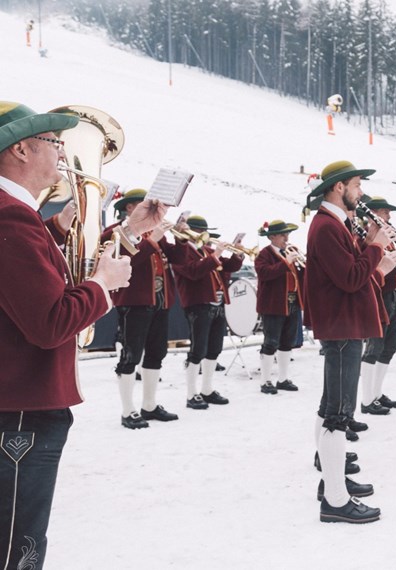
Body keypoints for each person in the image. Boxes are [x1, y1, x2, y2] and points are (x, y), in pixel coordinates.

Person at [1, 101, 164, 568]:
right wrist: (102, 285)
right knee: (17, 545)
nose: (62, 154)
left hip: (20, 408)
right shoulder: (10, 217)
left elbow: (41, 274)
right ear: (21, 149)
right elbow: (50, 321)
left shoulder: (18, 215)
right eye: (55, 143)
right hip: (20, 411)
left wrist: (128, 231)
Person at [303, 160, 396, 524]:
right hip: (341, 327)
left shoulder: (332, 224)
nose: (361, 192)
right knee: (338, 414)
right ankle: (335, 500)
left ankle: (332, 482)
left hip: (343, 324)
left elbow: (352, 274)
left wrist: (375, 260)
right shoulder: (326, 227)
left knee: (333, 406)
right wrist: (375, 247)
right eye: (357, 185)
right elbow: (349, 278)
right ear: (338, 187)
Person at [103, 188, 180, 429]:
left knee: (156, 353)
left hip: (159, 300)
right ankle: (128, 410)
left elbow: (177, 259)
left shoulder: (151, 232)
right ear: (129, 208)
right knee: (130, 356)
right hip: (134, 302)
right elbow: (123, 260)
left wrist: (179, 237)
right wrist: (152, 241)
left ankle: (149, 405)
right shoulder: (114, 233)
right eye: (143, 205)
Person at [170, 215, 245, 410]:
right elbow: (193, 272)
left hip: (217, 304)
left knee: (214, 349)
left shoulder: (207, 250)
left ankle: (207, 389)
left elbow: (230, 266)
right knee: (198, 350)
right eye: (200, 232)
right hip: (198, 304)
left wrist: (237, 252)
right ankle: (191, 393)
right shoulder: (181, 253)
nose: (204, 236)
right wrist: (215, 255)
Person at [359, 197, 396, 415]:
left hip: (393, 293)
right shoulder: (368, 238)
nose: (389, 217)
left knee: (390, 346)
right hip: (379, 295)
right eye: (386, 213)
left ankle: (376, 393)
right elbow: (369, 265)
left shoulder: (385, 238)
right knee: (374, 348)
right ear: (375, 214)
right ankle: (367, 399)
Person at [254, 219, 304, 395]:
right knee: (271, 342)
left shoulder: (291, 251)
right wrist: (286, 263)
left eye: (287, 234)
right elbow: (265, 274)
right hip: (273, 305)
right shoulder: (263, 255)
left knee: (287, 342)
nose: (286, 237)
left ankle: (282, 379)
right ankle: (265, 381)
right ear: (272, 237)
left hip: (292, 302)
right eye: (283, 234)